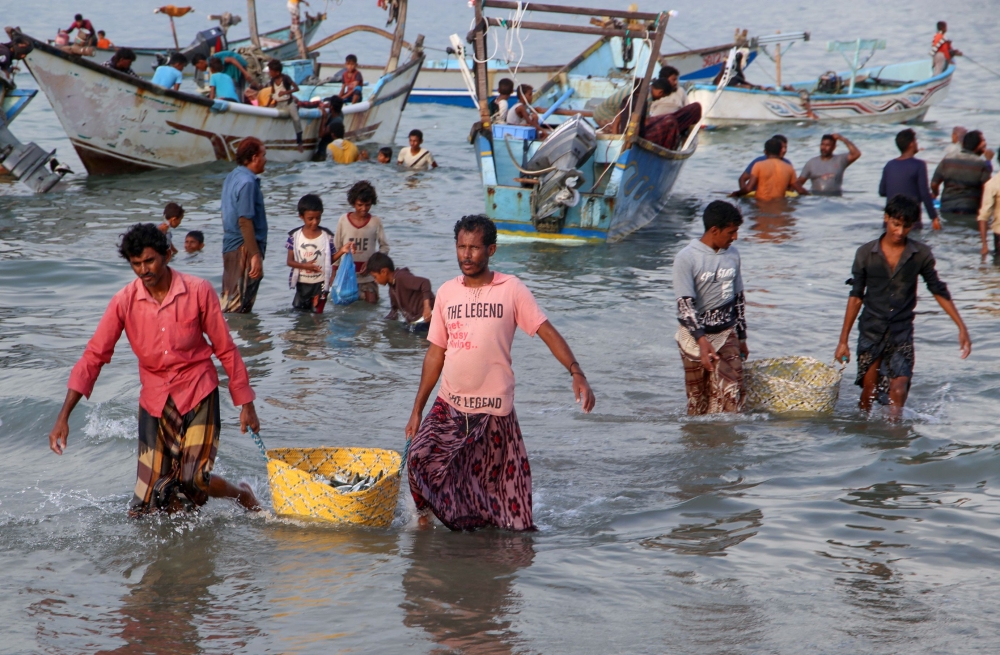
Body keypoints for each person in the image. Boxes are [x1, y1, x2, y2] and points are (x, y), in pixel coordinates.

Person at [47, 223, 261, 516]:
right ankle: (176, 553)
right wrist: (63, 416)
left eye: (149, 261)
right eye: (136, 264)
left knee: (193, 480)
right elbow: (94, 356)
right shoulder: (124, 301)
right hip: (155, 400)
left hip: (198, 391)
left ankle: (242, 495)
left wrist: (246, 404)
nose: (143, 270)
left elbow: (225, 349)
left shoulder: (198, 291)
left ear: (167, 254)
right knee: (148, 504)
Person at [404, 214, 595, 531]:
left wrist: (576, 371)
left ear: (491, 250)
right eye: (461, 247)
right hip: (449, 403)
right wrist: (417, 409)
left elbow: (546, 331)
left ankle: (484, 552)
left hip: (494, 410)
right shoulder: (448, 293)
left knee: (500, 499)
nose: (466, 255)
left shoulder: (511, 289)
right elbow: (435, 353)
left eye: (474, 248)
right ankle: (424, 521)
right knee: (419, 459)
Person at [834, 195, 971, 419]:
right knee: (869, 392)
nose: (899, 232)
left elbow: (938, 289)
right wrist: (843, 341)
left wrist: (961, 327)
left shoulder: (920, 254)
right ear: (886, 218)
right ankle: (862, 436)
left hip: (901, 332)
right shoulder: (866, 254)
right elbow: (856, 296)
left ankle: (895, 441)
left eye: (906, 226)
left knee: (898, 390)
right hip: (871, 329)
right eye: (896, 224)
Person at [672, 201, 748, 415]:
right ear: (714, 230)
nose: (735, 237)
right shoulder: (686, 258)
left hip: (726, 334)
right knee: (698, 402)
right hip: (694, 339)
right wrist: (702, 341)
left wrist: (742, 338)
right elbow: (685, 305)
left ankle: (729, 446)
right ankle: (701, 444)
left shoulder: (733, 255)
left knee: (732, 393)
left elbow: (739, 298)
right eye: (731, 232)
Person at [220, 137, 268, 314]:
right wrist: (254, 254)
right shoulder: (248, 183)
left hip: (230, 247)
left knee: (229, 301)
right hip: (244, 249)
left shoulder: (232, 177)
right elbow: (244, 221)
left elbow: (226, 213)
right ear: (254, 158)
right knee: (239, 307)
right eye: (263, 154)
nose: (265, 159)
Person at [332, 180, 389, 304]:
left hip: (369, 276)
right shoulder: (343, 220)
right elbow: (337, 247)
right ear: (353, 203)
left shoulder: (375, 221)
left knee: (371, 306)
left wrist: (371, 263)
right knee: (346, 308)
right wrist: (334, 273)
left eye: (367, 205)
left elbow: (384, 247)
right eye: (360, 205)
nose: (364, 208)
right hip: (347, 275)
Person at [879, 128, 940, 230]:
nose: (917, 144)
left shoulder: (889, 165)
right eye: (916, 141)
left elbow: (882, 191)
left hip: (890, 223)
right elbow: (924, 194)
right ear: (911, 144)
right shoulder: (919, 165)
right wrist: (934, 217)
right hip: (910, 222)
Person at [286, 194, 334, 312]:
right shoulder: (295, 236)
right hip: (303, 283)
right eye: (310, 219)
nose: (315, 222)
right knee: (299, 313)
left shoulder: (327, 236)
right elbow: (289, 261)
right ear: (301, 216)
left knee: (317, 315)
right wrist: (305, 266)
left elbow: (330, 260)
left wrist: (343, 251)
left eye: (318, 218)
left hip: (321, 283)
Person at [932, 129, 992, 217]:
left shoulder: (948, 159)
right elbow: (988, 190)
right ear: (978, 146)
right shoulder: (981, 164)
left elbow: (934, 184)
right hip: (970, 210)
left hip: (946, 209)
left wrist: (935, 194)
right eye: (983, 141)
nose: (985, 144)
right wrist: (988, 161)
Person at [368, 252, 434, 328]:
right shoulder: (392, 290)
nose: (375, 281)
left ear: (384, 272)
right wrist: (381, 323)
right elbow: (394, 312)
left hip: (428, 317)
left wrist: (427, 308)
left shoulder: (402, 277)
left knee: (405, 334)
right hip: (416, 320)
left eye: (375, 277)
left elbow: (425, 282)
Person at [797, 133, 861, 195]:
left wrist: (842, 139)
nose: (824, 148)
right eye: (822, 144)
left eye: (827, 145)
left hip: (835, 199)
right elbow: (798, 184)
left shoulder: (840, 160)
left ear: (834, 147)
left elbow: (856, 153)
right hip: (816, 201)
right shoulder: (811, 163)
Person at [266, 59, 304, 151]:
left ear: (277, 72)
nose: (269, 73)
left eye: (271, 71)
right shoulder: (272, 80)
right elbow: (273, 93)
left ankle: (299, 142)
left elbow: (296, 88)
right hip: (279, 104)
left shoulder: (286, 78)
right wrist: (267, 105)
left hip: (288, 103)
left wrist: (286, 92)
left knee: (296, 119)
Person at [977, 153, 1000, 258]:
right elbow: (983, 216)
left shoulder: (992, 184)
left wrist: (984, 245)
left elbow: (984, 216)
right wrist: (984, 245)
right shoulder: (992, 184)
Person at [315, 95, 344, 160]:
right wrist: (325, 106)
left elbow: (321, 134)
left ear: (332, 107)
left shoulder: (336, 122)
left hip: (324, 152)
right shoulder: (340, 114)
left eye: (329, 104)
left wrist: (324, 117)